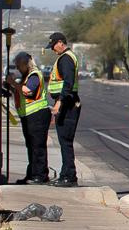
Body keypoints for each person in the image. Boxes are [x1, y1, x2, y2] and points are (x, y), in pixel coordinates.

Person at [46, 32, 81, 187]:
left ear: (60, 42)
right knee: (64, 141)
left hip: (67, 104)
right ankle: (65, 174)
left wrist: (59, 102)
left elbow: (68, 82)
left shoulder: (66, 59)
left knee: (65, 141)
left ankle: (69, 176)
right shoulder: (65, 57)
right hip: (68, 102)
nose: (53, 50)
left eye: (53, 46)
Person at [11, 52, 52, 185]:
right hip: (28, 115)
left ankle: (40, 175)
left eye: (19, 66)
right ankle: (32, 173)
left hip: (37, 114)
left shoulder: (34, 75)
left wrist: (13, 82)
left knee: (37, 146)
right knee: (31, 146)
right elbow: (20, 92)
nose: (18, 69)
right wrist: (11, 87)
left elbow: (28, 91)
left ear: (25, 64)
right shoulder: (26, 76)